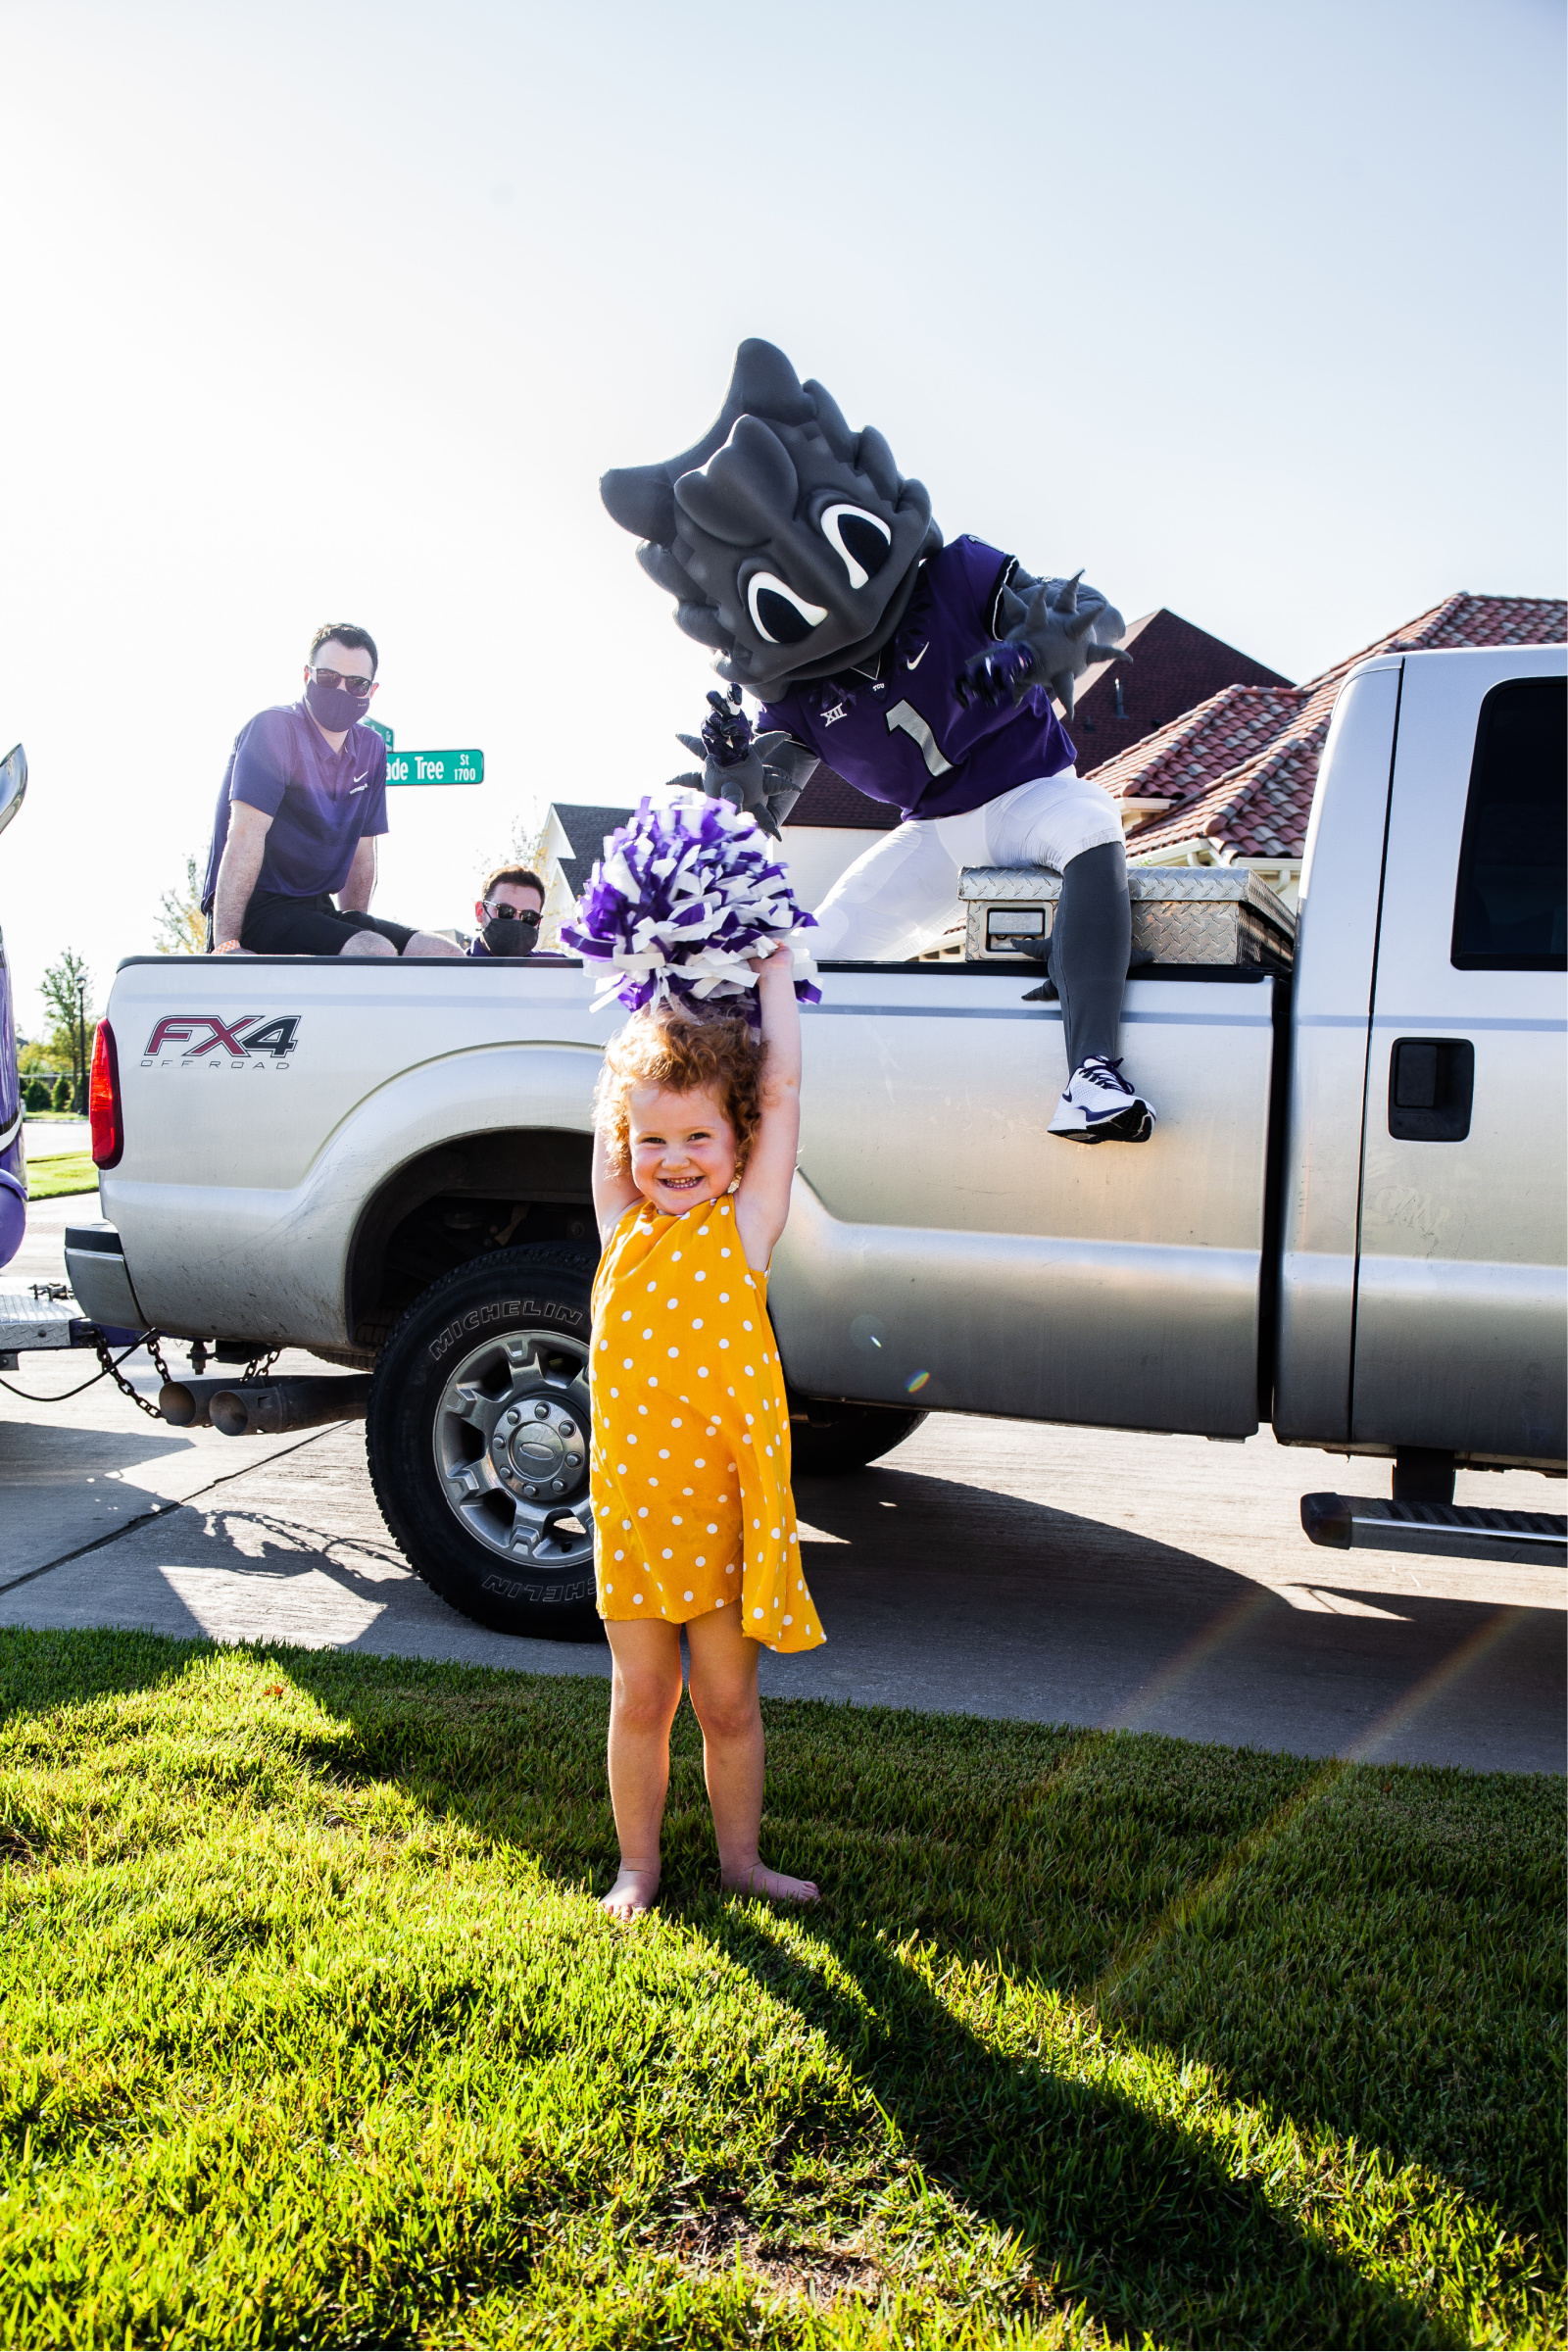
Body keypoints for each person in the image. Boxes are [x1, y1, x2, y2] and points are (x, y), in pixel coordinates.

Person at [588, 947, 823, 1921]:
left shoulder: (745, 1227)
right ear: (623, 1144)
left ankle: (740, 1861)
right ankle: (637, 1867)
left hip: (726, 1522)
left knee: (726, 1705)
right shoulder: (620, 1228)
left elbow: (783, 1080)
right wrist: (639, 967)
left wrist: (771, 969)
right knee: (642, 1698)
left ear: (739, 1142)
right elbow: (615, 1092)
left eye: (698, 1138)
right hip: (636, 1518)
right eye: (652, 1142)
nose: (674, 1160)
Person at [202, 622, 463, 958]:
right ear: (307, 676)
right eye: (328, 677)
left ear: (372, 691)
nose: (342, 690)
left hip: (315, 908)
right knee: (374, 952)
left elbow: (363, 853)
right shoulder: (274, 729)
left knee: (444, 953)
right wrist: (226, 946)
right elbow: (244, 835)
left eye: (357, 683)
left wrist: (354, 927)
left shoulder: (371, 749)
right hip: (254, 908)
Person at [466, 864, 569, 960]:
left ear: (539, 922)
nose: (516, 922)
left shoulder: (556, 968)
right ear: (480, 911)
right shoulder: (454, 972)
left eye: (529, 917)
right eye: (505, 911)